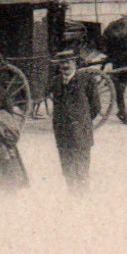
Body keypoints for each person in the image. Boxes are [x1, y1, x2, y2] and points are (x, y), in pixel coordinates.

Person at [50, 49, 99, 194]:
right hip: (62, 132)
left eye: (69, 62)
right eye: (62, 63)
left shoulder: (87, 80)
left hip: (80, 131)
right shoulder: (56, 82)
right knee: (67, 166)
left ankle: (83, 195)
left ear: (75, 63)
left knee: (82, 166)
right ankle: (72, 193)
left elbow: (95, 107)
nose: (66, 65)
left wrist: (81, 121)